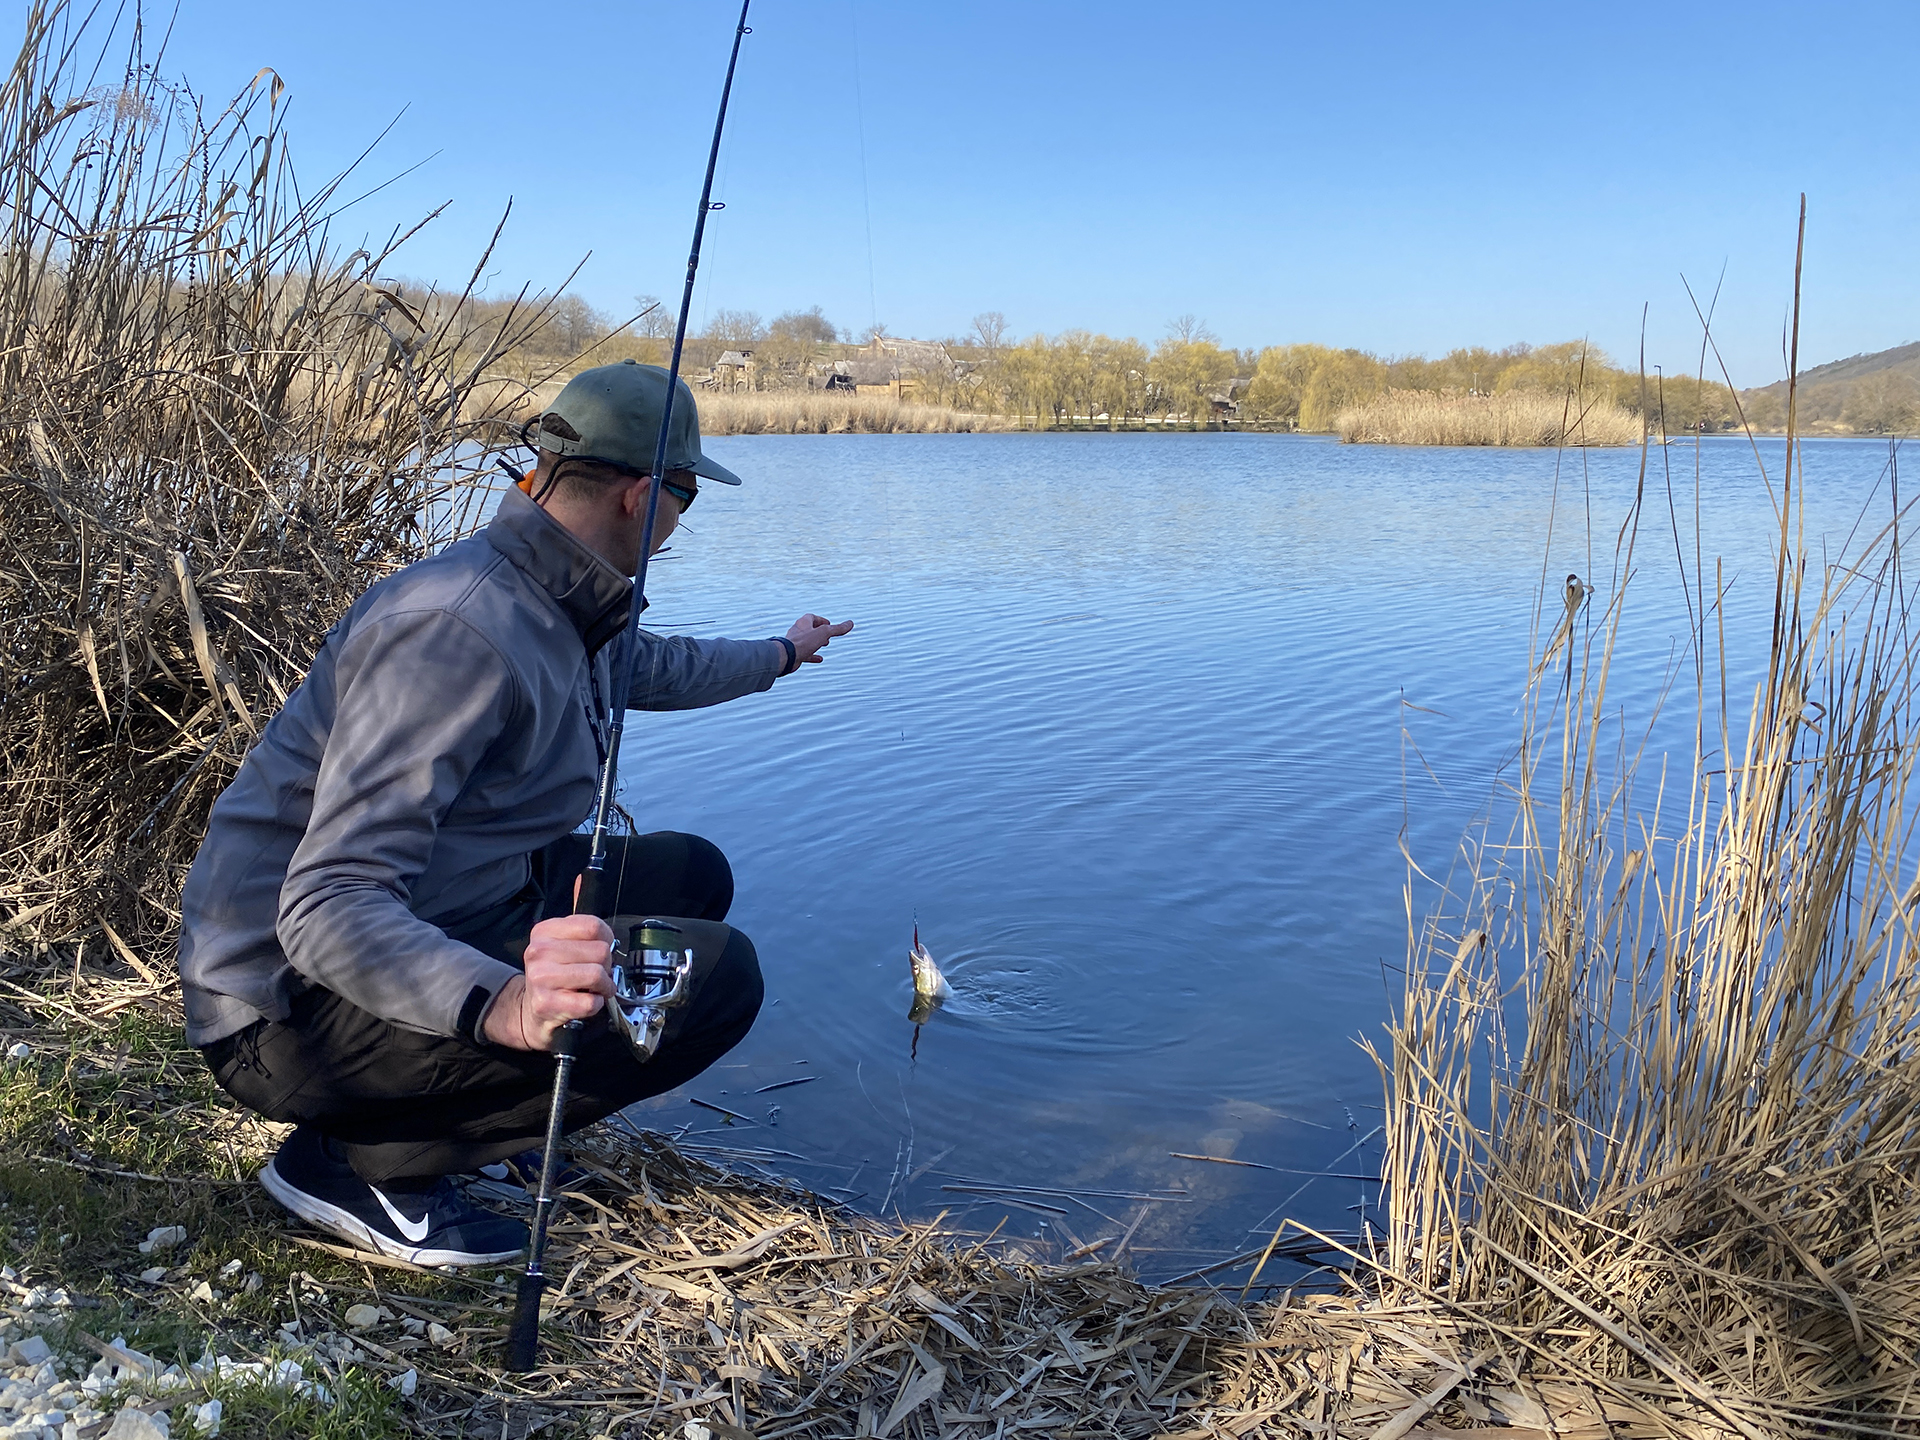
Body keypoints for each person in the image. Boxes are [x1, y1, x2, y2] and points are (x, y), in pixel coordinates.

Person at [176, 361, 852, 1267]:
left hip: (434, 908)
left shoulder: (555, 596)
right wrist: (506, 1004)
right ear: (643, 494)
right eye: (686, 497)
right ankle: (370, 1160)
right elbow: (325, 902)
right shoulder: (456, 630)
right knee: (718, 981)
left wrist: (779, 654)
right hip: (286, 1012)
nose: (682, 521)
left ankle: (470, 1113)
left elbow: (651, 669)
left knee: (691, 875)